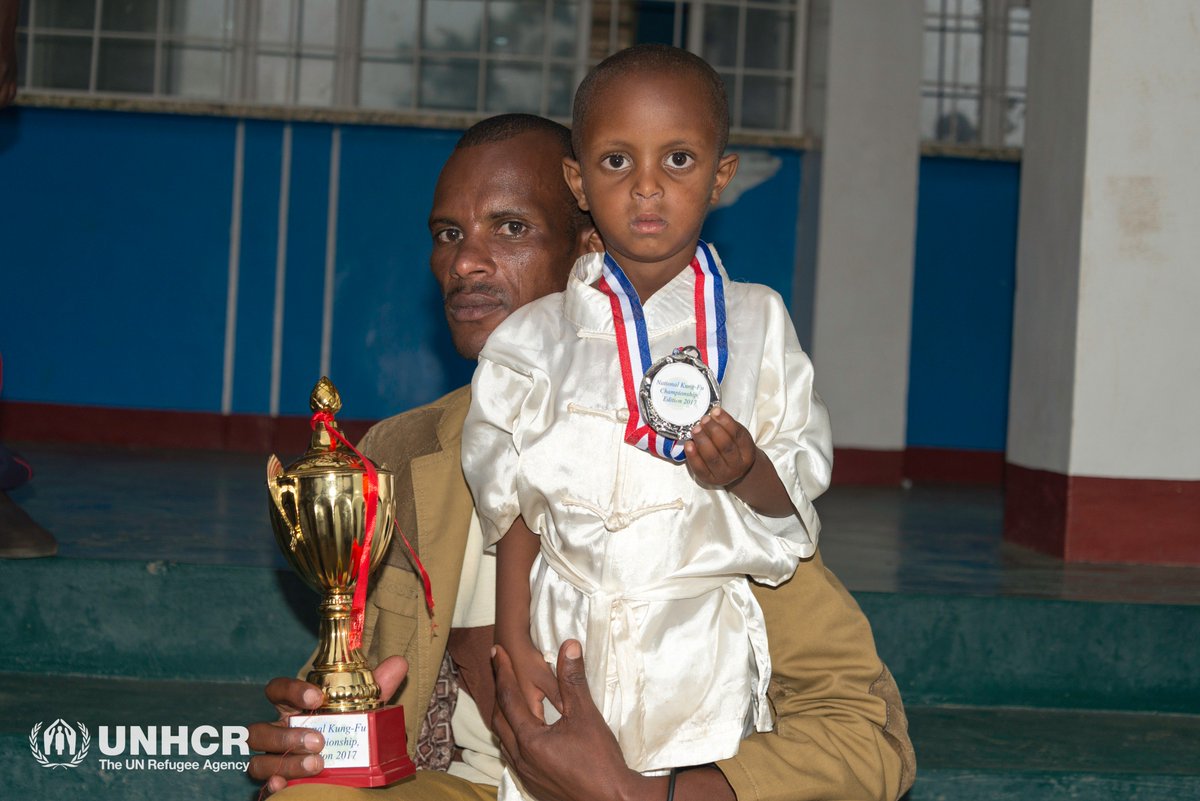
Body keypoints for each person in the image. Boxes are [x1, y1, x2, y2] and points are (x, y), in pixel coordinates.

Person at [248, 113, 914, 801]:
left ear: (591, 247)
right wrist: (317, 732)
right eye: (448, 234)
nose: (465, 262)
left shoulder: (691, 444)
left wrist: (639, 793)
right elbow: (354, 666)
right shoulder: (398, 454)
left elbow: (868, 736)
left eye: (511, 228)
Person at [462, 44, 867, 800]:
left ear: (721, 174)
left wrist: (745, 470)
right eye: (617, 161)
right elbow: (514, 504)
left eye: (678, 159)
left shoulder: (758, 323)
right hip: (564, 639)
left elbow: (793, 502)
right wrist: (515, 639)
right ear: (578, 182)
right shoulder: (533, 340)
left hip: (698, 648)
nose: (647, 187)